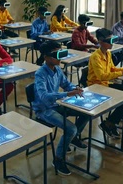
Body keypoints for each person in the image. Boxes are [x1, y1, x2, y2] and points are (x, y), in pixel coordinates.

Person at [33, 41, 90, 176]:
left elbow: (66, 84)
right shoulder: (40, 74)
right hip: (44, 110)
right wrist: (67, 94)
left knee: (86, 113)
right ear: (46, 57)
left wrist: (74, 89)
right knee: (71, 128)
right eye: (56, 54)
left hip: (57, 104)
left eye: (60, 53)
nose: (59, 58)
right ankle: (58, 159)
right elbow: (44, 97)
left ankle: (74, 139)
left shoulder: (57, 69)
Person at [88, 28, 123, 138]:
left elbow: (112, 69)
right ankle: (110, 123)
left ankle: (110, 122)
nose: (112, 43)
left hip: (106, 83)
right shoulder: (95, 57)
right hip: (96, 87)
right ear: (100, 42)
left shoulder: (107, 53)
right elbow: (102, 76)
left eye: (112, 40)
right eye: (109, 41)